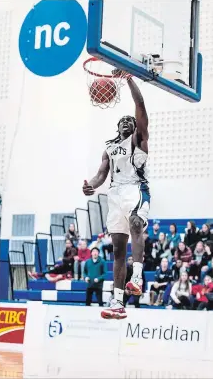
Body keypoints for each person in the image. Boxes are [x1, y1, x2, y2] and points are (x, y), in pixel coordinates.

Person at [83, 75, 150, 319]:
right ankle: (118, 301)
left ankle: (137, 277)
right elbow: (101, 175)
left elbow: (140, 105)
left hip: (135, 188)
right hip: (114, 194)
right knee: (118, 251)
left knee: (135, 223)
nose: (125, 121)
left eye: (128, 120)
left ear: (134, 126)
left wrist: (128, 78)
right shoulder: (109, 149)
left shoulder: (139, 140)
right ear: (117, 128)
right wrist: (90, 185)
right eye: (121, 120)